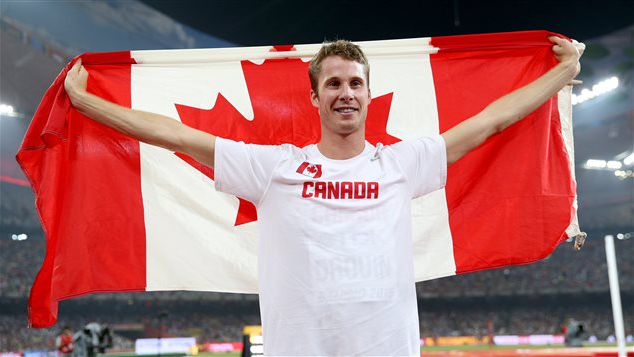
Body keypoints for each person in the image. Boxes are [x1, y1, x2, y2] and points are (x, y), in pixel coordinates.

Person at [64, 36, 581, 356]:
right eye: (333, 83)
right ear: (315, 97)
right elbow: (175, 134)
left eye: (355, 82)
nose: (346, 92)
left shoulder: (401, 165)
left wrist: (562, 74)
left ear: (369, 95)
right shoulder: (274, 168)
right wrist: (86, 103)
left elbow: (492, 121)